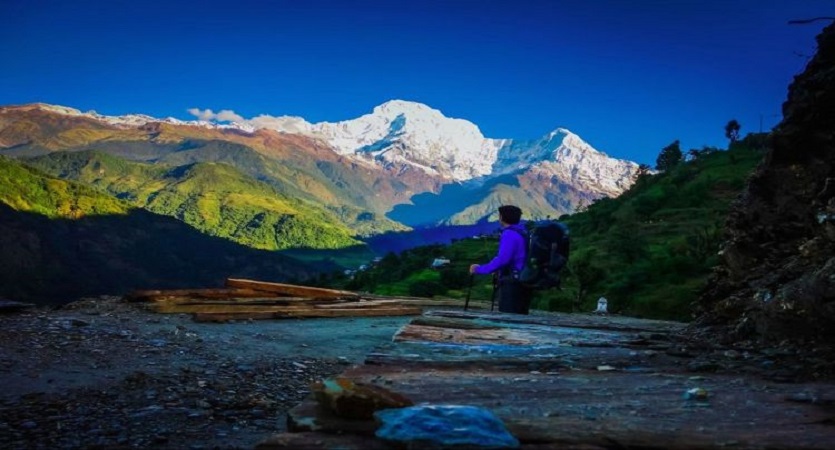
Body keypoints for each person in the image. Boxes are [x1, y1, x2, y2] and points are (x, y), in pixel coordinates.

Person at [469, 205, 533, 314]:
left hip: (512, 281)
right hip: (523, 279)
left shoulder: (509, 234)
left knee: (509, 318)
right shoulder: (523, 232)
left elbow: (503, 259)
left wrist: (479, 269)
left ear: (502, 217)